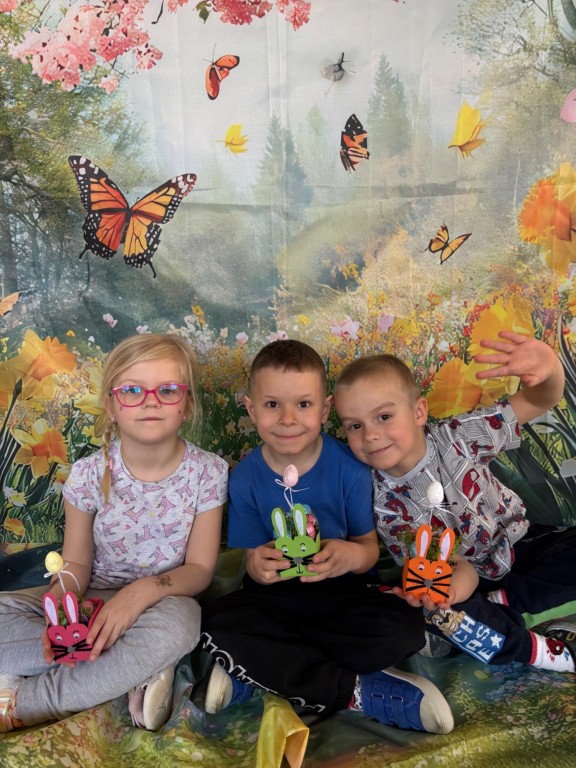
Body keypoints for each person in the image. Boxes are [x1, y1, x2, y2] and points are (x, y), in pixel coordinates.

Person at [200, 339, 455, 735]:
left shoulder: (349, 468)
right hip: (276, 599)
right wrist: (257, 564)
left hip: (343, 595)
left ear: (324, 409)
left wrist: (347, 556)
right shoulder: (245, 477)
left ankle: (259, 667)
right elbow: (249, 557)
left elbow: (368, 550)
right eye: (272, 405)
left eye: (303, 404)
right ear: (251, 409)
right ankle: (357, 691)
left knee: (402, 626)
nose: (288, 419)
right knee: (214, 621)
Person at [0, 333, 228, 733]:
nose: (150, 401)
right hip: (91, 602)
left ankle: (26, 701)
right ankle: (131, 673)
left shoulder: (207, 472)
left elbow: (200, 570)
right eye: (132, 391)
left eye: (167, 390)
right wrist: (62, 609)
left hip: (160, 605)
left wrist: (136, 596)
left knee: (183, 624)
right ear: (111, 405)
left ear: (187, 404)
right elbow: (76, 563)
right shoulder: (89, 474)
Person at [333, 330, 576, 671]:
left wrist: (550, 368)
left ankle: (504, 605)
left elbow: (538, 400)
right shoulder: (385, 504)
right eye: (354, 426)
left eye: (384, 417)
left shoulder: (458, 436)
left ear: (419, 412)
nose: (370, 435)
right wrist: (450, 594)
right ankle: (541, 651)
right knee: (439, 613)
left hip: (522, 545)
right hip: (464, 579)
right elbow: (454, 567)